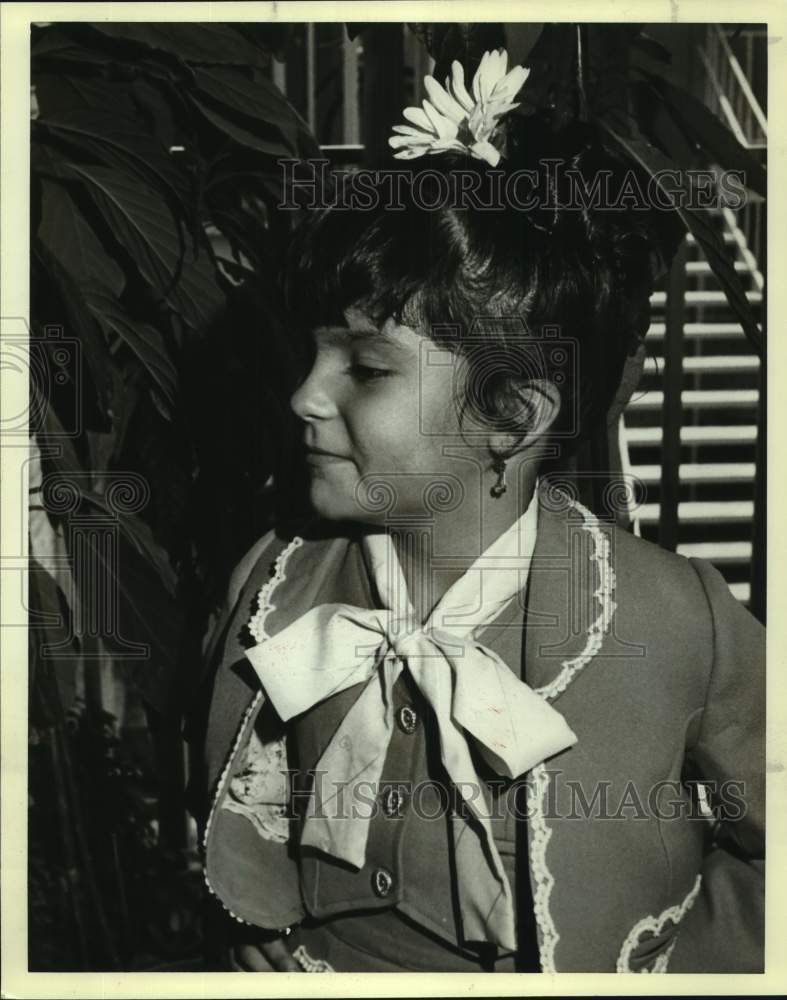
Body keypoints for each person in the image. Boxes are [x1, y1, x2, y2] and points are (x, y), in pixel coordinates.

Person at [189, 52, 765, 973]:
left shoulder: (675, 621)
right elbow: (227, 797)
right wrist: (252, 930)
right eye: (312, 353)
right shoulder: (272, 579)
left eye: (367, 367)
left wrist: (696, 966)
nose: (302, 394)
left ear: (511, 414)